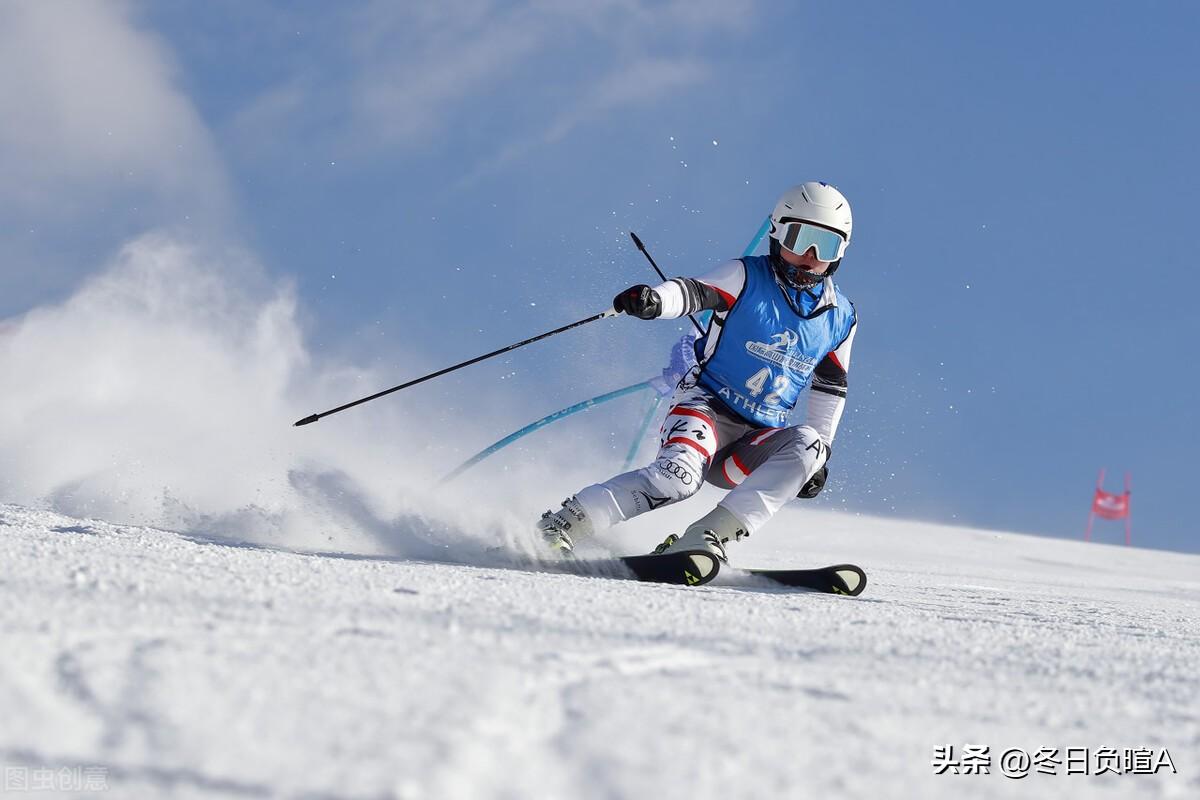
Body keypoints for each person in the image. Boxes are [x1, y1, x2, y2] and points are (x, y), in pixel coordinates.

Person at [536, 181, 858, 564]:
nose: (810, 255)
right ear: (777, 231)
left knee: (809, 445)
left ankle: (703, 538)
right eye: (800, 236)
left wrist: (821, 455)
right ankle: (565, 525)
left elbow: (831, 384)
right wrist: (656, 300)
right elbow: (693, 292)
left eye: (826, 245)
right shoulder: (746, 276)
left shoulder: (840, 317)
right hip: (706, 406)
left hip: (754, 440)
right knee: (678, 480)